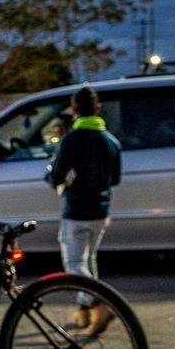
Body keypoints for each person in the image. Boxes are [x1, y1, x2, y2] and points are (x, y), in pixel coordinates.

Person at [44, 86, 122, 335]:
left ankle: (100, 304)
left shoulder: (71, 140)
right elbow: (115, 179)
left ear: (74, 109)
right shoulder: (111, 141)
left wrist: (59, 176)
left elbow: (56, 177)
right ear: (98, 108)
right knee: (89, 260)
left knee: (75, 264)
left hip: (76, 210)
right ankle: (84, 311)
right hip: (100, 210)